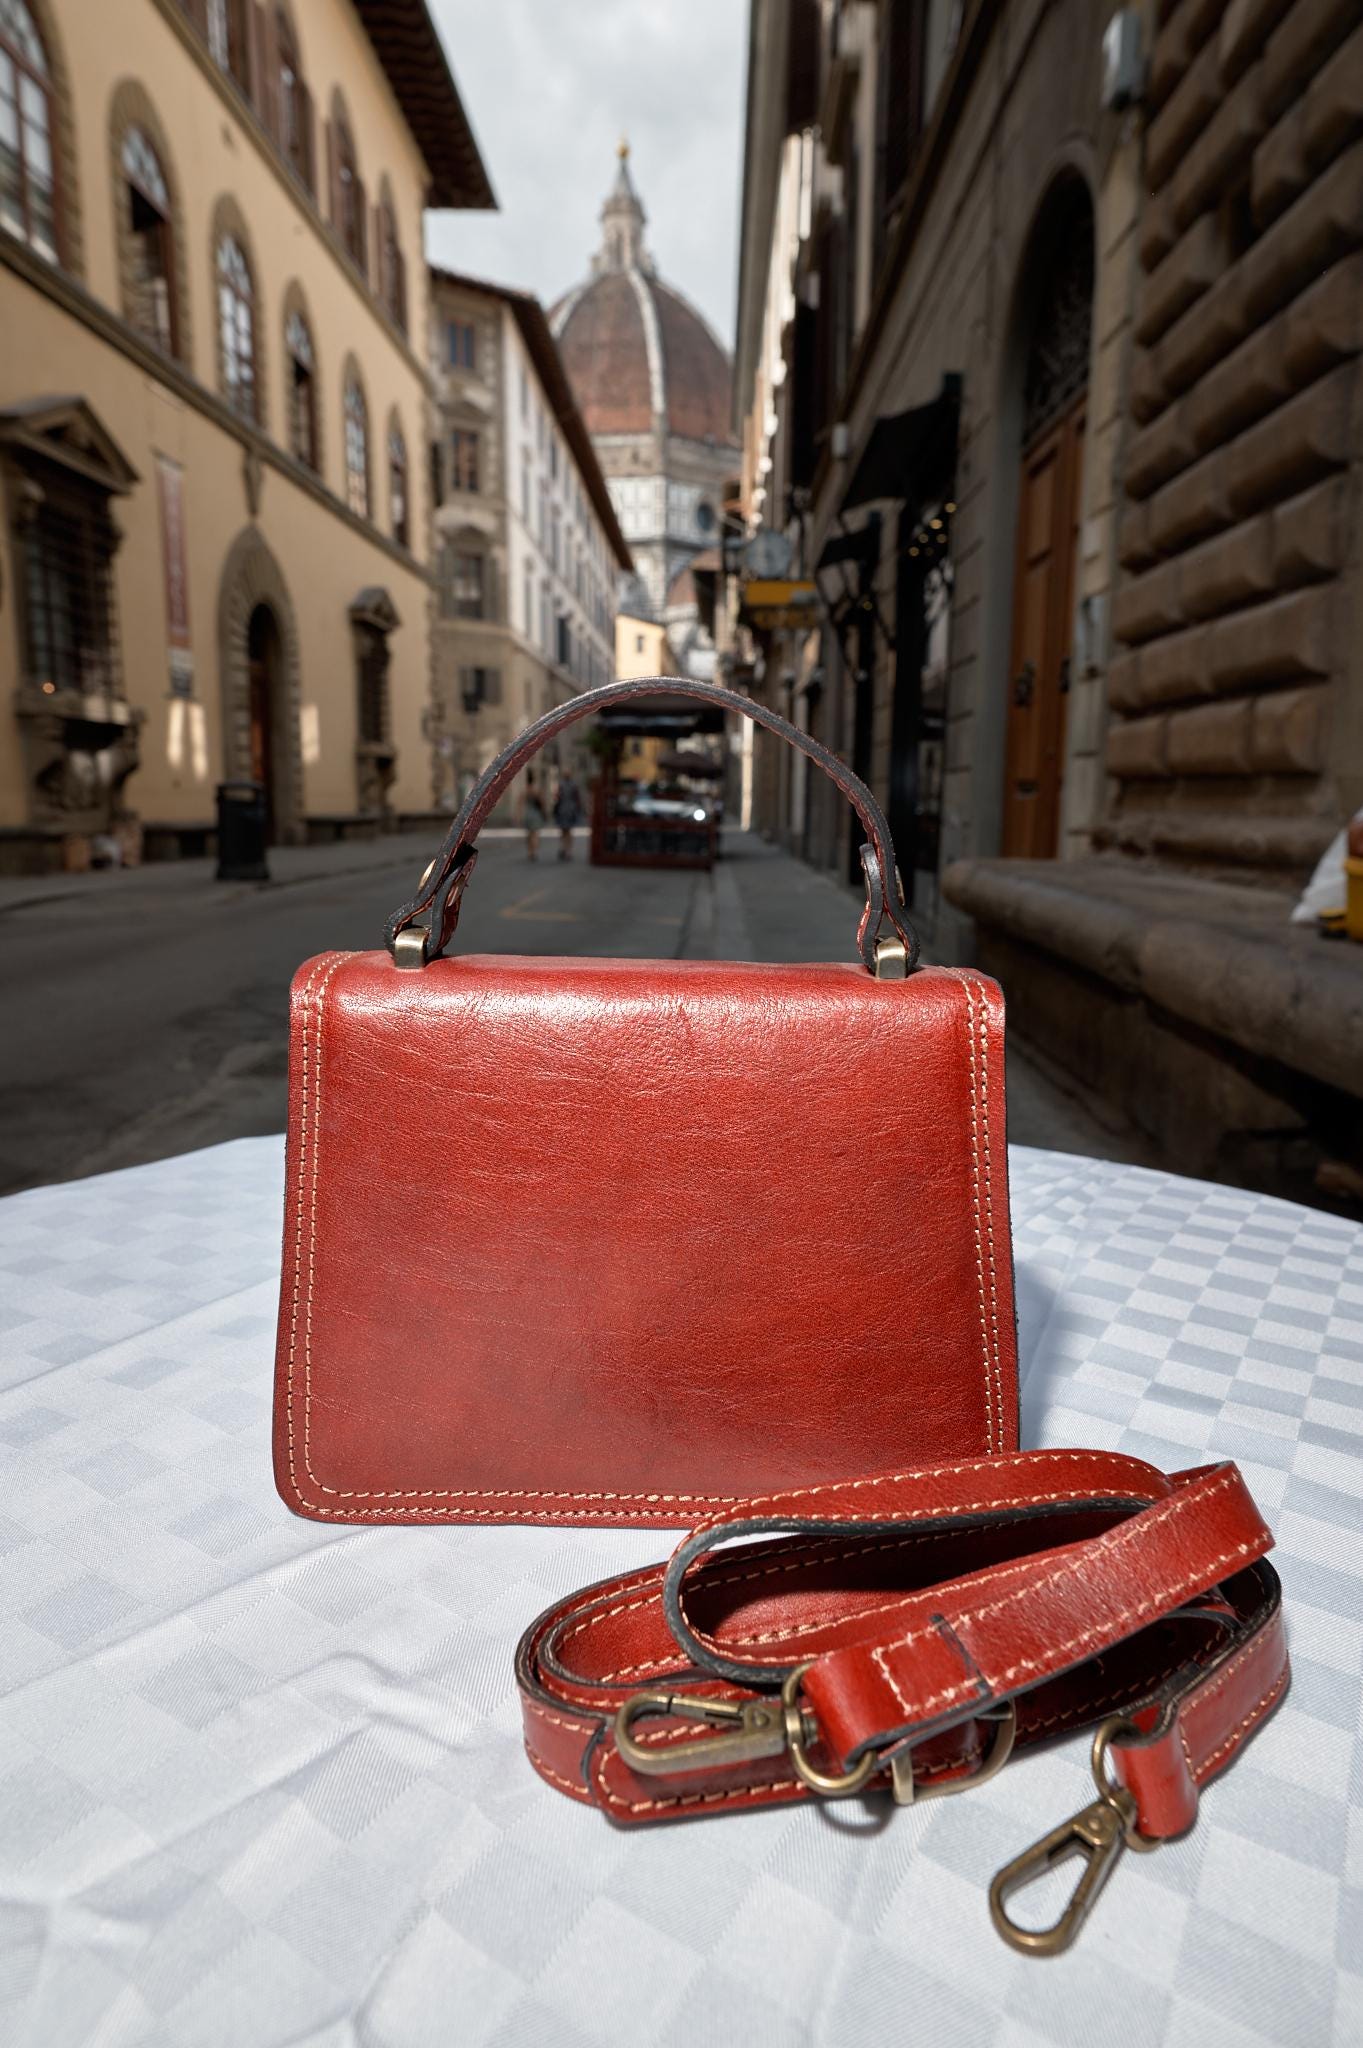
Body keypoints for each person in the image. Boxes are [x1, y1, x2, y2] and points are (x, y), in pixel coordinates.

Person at [552, 773, 583, 861]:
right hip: (571, 810)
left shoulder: (561, 785)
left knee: (564, 831)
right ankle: (568, 851)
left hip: (563, 810)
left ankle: (564, 849)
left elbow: (557, 796)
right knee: (568, 831)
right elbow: (578, 799)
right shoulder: (574, 785)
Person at [523, 773, 546, 861]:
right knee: (535, 834)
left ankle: (530, 851)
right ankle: (534, 852)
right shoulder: (536, 790)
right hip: (536, 814)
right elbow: (542, 802)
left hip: (528, 813)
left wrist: (518, 815)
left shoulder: (525, 790)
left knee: (529, 834)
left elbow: (520, 801)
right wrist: (544, 813)